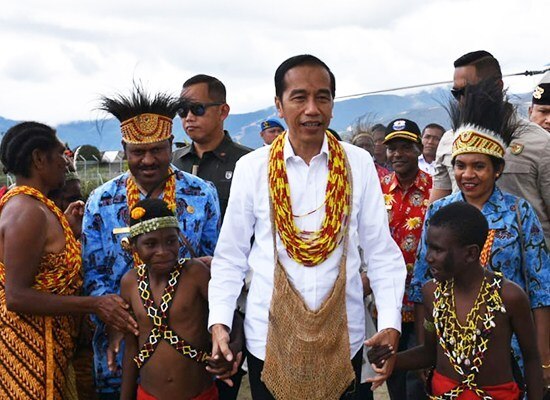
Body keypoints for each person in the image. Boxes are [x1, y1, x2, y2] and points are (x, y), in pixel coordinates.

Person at [208, 54, 406, 400]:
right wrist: (220, 323)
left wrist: (390, 323)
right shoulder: (253, 168)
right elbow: (231, 256)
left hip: (344, 340)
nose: (312, 109)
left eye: (323, 97)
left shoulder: (357, 163)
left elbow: (381, 252)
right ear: (279, 106)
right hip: (268, 342)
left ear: (332, 105)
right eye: (299, 97)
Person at [410, 79, 550, 390]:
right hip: (450, 351)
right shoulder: (438, 212)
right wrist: (425, 349)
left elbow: (541, 289)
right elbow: (422, 284)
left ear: (497, 169)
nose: (467, 175)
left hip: (509, 351)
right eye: (460, 165)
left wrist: (542, 357)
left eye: (479, 166)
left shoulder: (519, 212)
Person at [82, 86, 220, 399]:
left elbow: (213, 263)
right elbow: (95, 278)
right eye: (137, 152)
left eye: (157, 150)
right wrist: (121, 319)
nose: (148, 160)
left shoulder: (201, 194)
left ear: (172, 144)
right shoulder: (100, 202)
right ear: (123, 148)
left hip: (189, 350)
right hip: (119, 346)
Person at [0, 122, 137, 399]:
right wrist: (95, 304)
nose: (68, 163)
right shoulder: (27, 212)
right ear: (39, 159)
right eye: (62, 155)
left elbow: (44, 262)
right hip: (31, 353)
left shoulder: (36, 207)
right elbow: (17, 296)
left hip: (50, 349)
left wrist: (66, 230)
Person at [391, 202, 543, 399]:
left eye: (438, 250)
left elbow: (531, 357)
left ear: (471, 253)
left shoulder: (509, 296)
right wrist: (390, 360)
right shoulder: (431, 293)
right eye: (428, 247)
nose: (428, 257)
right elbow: (430, 353)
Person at [120, 199, 240, 400]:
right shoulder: (130, 283)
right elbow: (131, 346)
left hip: (200, 395)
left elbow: (231, 317)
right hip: (148, 395)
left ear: (180, 239)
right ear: (134, 247)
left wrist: (232, 350)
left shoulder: (195, 274)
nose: (163, 251)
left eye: (171, 241)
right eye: (150, 244)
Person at [429, 50, 550, 247]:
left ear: (497, 86)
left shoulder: (539, 142)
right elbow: (435, 212)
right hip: (458, 265)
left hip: (523, 266)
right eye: (456, 93)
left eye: (468, 91)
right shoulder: (448, 140)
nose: (461, 100)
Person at [379, 118, 432, 399]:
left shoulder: (435, 190)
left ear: (419, 149)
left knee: (420, 377)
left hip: (424, 300)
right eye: (392, 148)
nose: (397, 154)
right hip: (388, 302)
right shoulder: (377, 190)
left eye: (405, 147)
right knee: (393, 375)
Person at [172, 74, 251, 222]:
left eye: (197, 109)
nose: (189, 117)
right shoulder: (172, 164)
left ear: (223, 112)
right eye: (182, 111)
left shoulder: (249, 163)